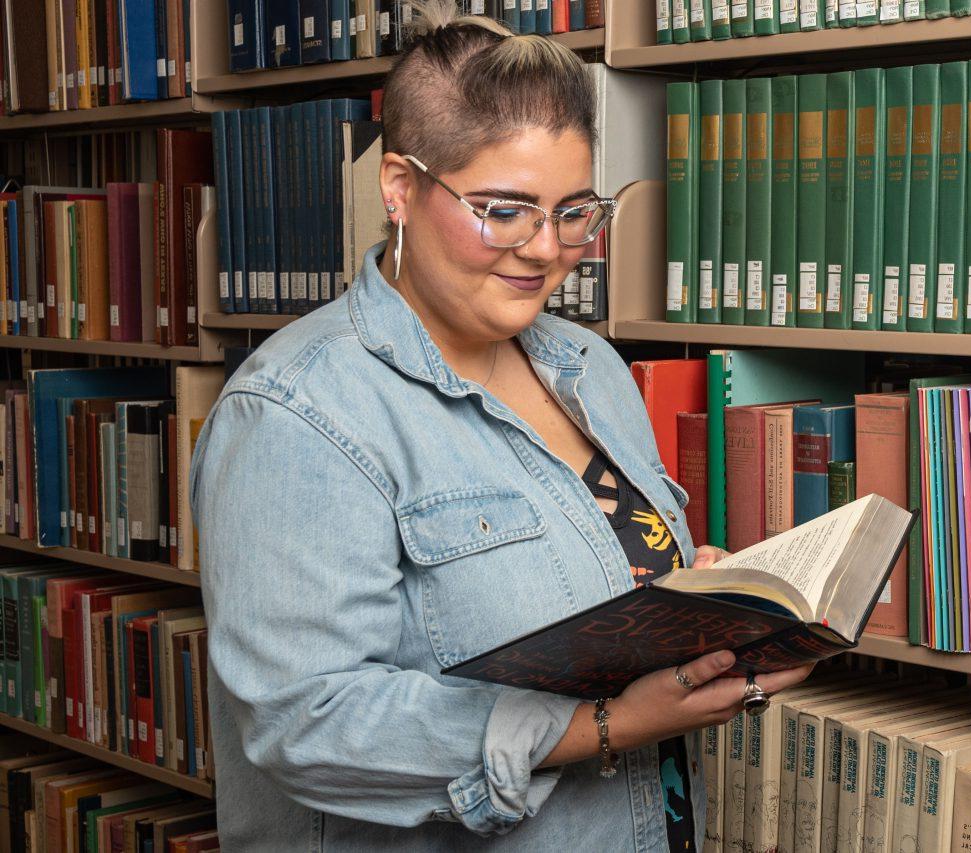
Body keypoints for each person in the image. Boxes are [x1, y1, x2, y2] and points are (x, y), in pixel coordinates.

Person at [190, 3, 810, 848]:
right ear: (400, 188)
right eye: (503, 209)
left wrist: (700, 609)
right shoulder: (299, 412)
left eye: (573, 212)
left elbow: (601, 584)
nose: (546, 249)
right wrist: (607, 725)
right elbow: (308, 718)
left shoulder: (589, 367)